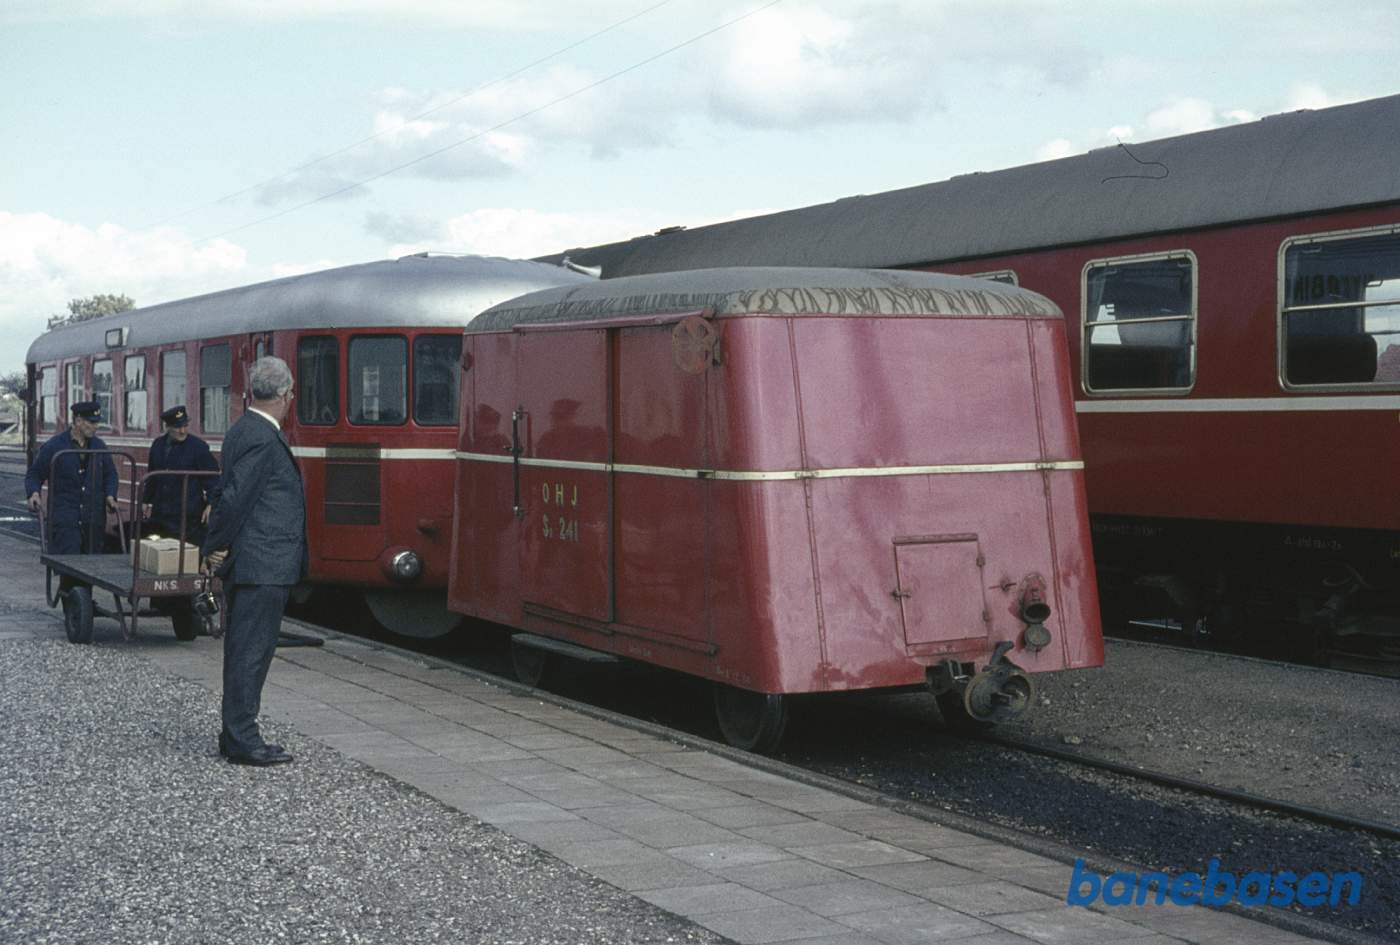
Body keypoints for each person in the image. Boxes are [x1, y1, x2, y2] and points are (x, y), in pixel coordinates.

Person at [200, 357, 305, 767]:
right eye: (291, 394)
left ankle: (236, 733)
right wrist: (215, 546)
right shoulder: (262, 437)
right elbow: (234, 499)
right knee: (251, 651)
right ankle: (243, 738)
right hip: (263, 561)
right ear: (284, 396)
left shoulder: (244, 429)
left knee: (247, 649)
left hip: (259, 560)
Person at [26, 400, 119, 563]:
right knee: (69, 570)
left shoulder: (100, 446)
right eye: (92, 422)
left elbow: (110, 474)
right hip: (65, 521)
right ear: (78, 421)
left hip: (93, 521)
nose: (96, 426)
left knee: (91, 571)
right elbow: (35, 473)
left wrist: (111, 495)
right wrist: (34, 493)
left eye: (97, 422)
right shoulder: (54, 446)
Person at [145, 404, 219, 545]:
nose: (183, 431)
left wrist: (212, 503)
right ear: (167, 427)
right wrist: (145, 501)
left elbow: (213, 478)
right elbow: (152, 475)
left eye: (185, 425)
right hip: (161, 513)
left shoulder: (198, 447)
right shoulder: (158, 445)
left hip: (188, 515)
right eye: (178, 427)